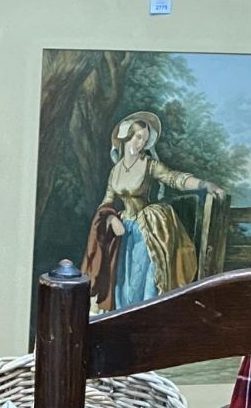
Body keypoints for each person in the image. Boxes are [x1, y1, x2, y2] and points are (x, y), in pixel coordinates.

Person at [83, 111, 226, 311]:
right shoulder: (115, 171)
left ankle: (144, 320)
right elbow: (107, 201)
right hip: (123, 231)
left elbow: (174, 178)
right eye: (138, 137)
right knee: (122, 280)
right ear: (126, 137)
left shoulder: (149, 165)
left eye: (144, 139)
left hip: (148, 229)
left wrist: (203, 184)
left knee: (144, 280)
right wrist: (108, 219)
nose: (140, 143)